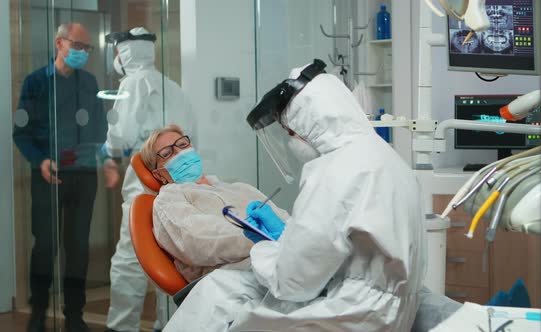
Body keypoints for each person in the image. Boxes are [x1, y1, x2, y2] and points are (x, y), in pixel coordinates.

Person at [164, 59, 427, 331]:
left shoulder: (334, 171)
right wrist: (287, 235)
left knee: (220, 298)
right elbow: (347, 242)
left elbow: (291, 283)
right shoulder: (388, 158)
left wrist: (264, 247)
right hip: (385, 309)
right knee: (222, 289)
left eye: (290, 132)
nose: (291, 142)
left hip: (350, 314)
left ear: (310, 122)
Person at [12, 22, 111, 332]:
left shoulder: (90, 82)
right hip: (48, 177)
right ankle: (39, 315)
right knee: (44, 246)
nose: (83, 53)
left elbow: (100, 130)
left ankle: (74, 316)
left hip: (83, 176)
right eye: (78, 46)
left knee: (78, 248)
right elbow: (21, 133)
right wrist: (40, 160)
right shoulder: (36, 83)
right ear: (59, 43)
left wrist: (106, 160)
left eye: (87, 48)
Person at [101, 27, 199, 332]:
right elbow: (190, 135)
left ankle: (121, 326)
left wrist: (108, 151)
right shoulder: (173, 87)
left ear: (126, 52)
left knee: (130, 259)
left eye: (118, 52)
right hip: (179, 182)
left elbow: (122, 136)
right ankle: (167, 324)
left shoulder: (131, 86)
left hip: (143, 182)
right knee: (170, 256)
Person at [139, 125, 289, 282]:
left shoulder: (239, 188)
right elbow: (197, 240)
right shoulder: (169, 199)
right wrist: (255, 236)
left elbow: (285, 221)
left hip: (280, 256)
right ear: (160, 175)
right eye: (167, 153)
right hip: (238, 277)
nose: (179, 153)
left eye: (182, 144)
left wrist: (289, 232)